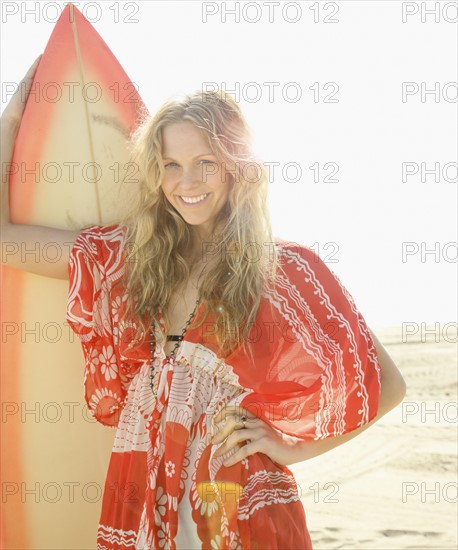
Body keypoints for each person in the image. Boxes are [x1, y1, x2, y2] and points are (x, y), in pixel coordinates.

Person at [1, 57, 407, 550]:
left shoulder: (281, 269)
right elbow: (5, 238)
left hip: (233, 499)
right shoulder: (131, 260)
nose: (185, 182)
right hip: (144, 489)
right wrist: (14, 117)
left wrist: (292, 449)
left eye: (204, 163)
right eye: (171, 164)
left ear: (237, 166)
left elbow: (388, 385)